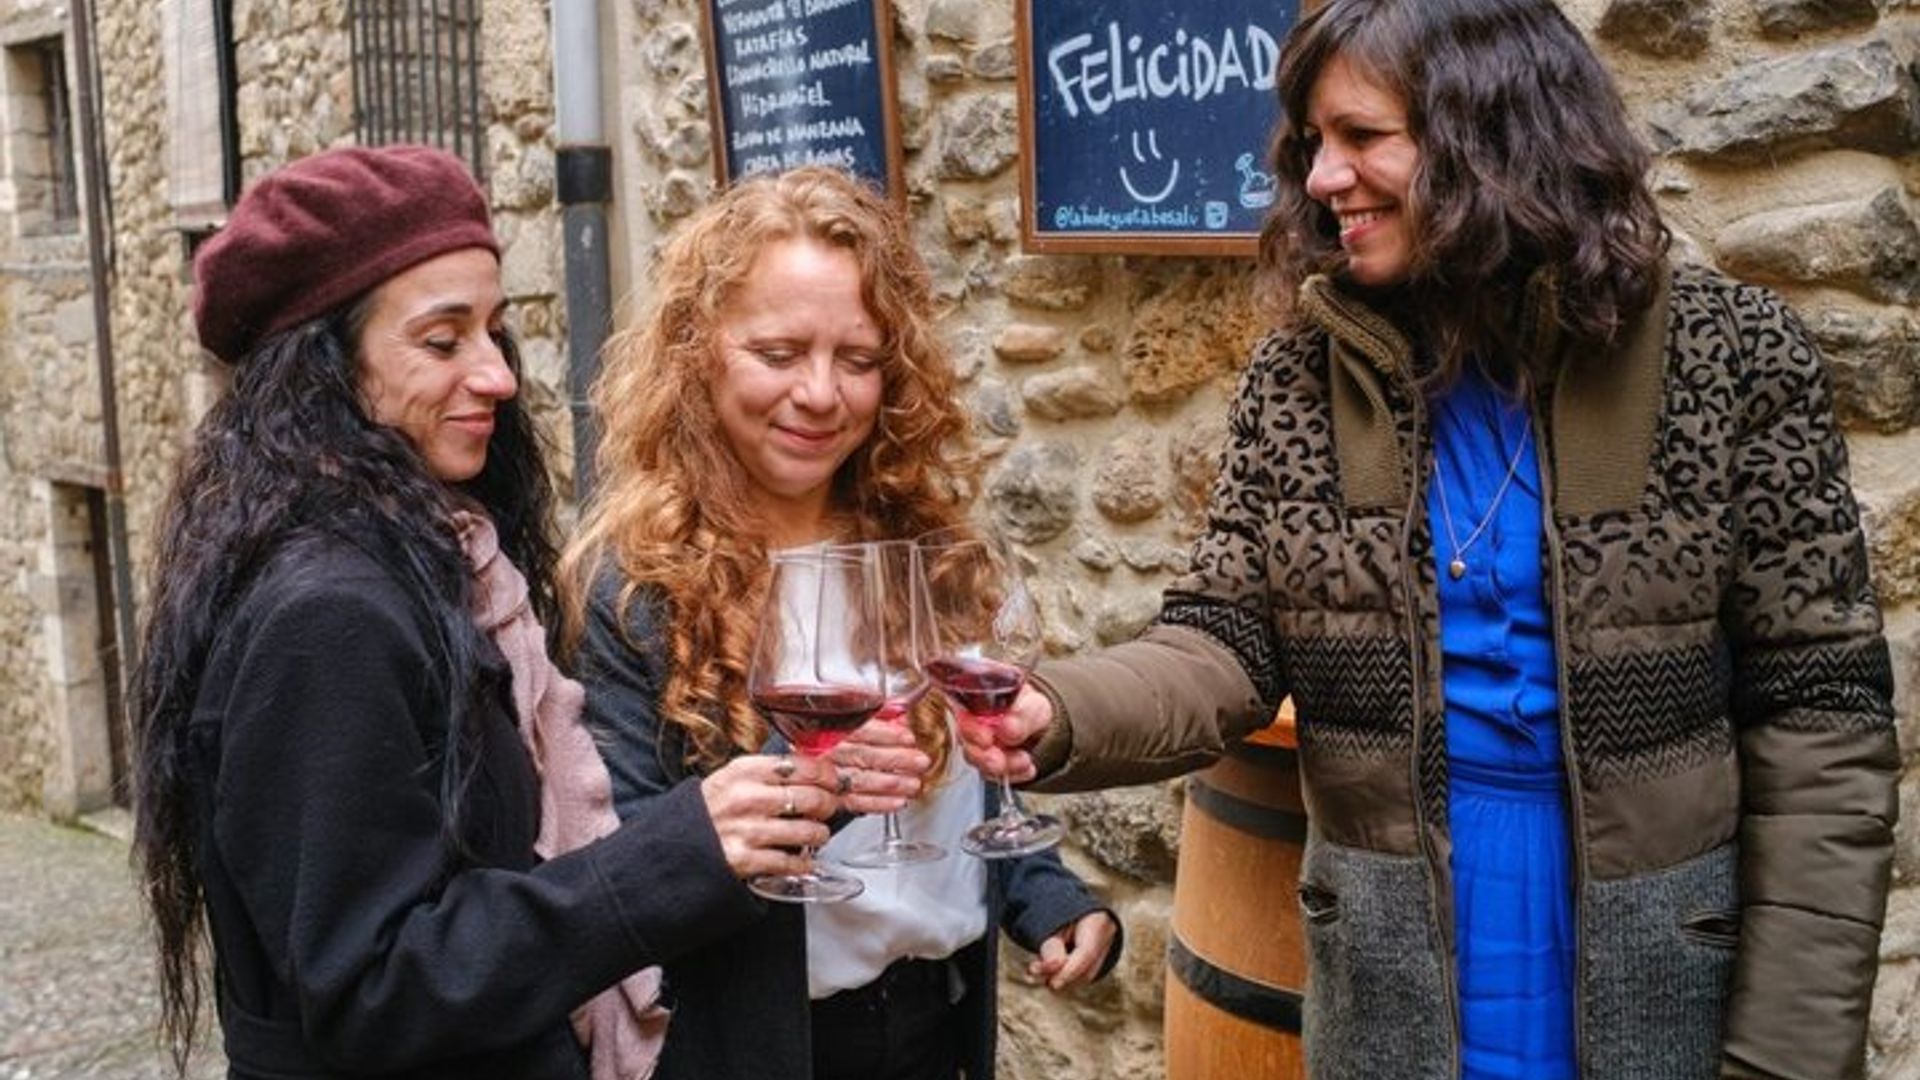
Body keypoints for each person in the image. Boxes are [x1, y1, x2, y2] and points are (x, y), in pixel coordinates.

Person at [960, 3, 1900, 1080]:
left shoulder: (1730, 354)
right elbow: (1222, 638)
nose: (1322, 178)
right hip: (1394, 982)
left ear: (1495, 136)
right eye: (1313, 144)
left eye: (1363, 137)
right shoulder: (1301, 381)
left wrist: (1784, 1060)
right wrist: (1061, 709)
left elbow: (1821, 717)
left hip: (1658, 972)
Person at [129, 145, 915, 1080]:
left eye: (493, 331)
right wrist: (682, 848)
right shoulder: (327, 612)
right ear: (324, 369)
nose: (497, 375)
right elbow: (370, 987)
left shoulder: (438, 559)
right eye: (441, 339)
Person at [560, 164, 1121, 1080]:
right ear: (700, 352)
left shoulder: (925, 552)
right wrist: (814, 794)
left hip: (938, 1034)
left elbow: (969, 794)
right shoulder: (635, 587)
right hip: (760, 1050)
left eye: (858, 360)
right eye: (778, 354)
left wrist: (1048, 895)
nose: (821, 394)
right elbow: (626, 864)